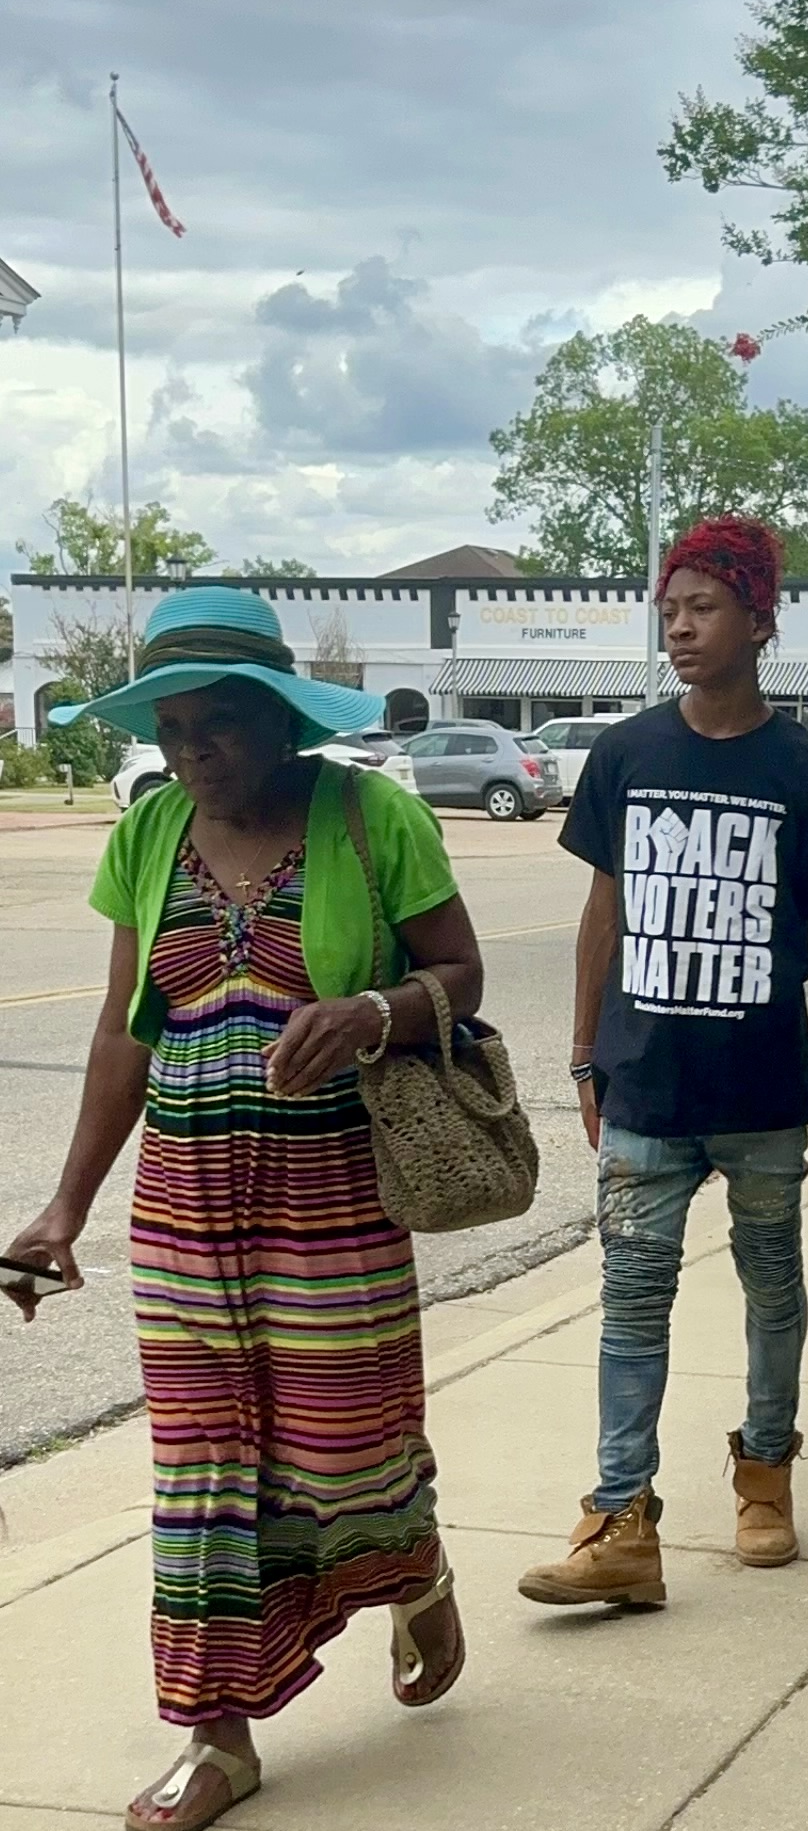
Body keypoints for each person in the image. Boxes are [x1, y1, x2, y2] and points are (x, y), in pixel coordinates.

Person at [3, 589, 481, 1831]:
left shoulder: (373, 815)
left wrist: (376, 1012)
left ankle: (414, 1568)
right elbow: (121, 1029)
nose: (192, 748)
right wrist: (64, 1206)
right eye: (172, 725)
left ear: (278, 719)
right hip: (184, 1208)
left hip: (334, 1203)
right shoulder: (150, 830)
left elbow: (460, 970)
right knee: (202, 1478)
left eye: (218, 722)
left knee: (344, 1452)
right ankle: (220, 1737)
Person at [517, 516, 808, 1611]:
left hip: (767, 1094)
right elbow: (603, 913)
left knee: (774, 1290)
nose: (679, 625)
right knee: (631, 1300)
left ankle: (765, 1474)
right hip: (646, 1091)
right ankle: (620, 1520)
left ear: (761, 622)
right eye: (669, 608)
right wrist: (584, 1058)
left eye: (704, 606)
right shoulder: (628, 752)